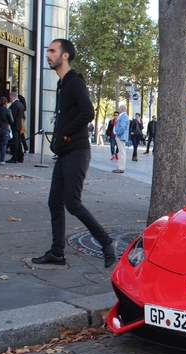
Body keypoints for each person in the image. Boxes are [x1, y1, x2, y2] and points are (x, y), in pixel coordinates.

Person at [32, 38, 116, 268]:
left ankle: (106, 242)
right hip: (66, 152)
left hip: (77, 152)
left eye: (52, 51)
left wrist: (65, 134)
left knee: (72, 203)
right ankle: (57, 252)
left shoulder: (74, 82)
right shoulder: (63, 84)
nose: (48, 55)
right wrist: (59, 139)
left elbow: (87, 112)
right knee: (54, 203)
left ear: (65, 55)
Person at [0, 97, 14, 165]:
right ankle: (2, 160)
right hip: (5, 128)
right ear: (6, 103)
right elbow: (11, 121)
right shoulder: (8, 111)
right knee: (4, 145)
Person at [7, 91, 25, 163]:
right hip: (19, 125)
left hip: (14, 126)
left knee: (15, 142)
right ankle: (20, 156)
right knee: (18, 141)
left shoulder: (14, 105)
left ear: (11, 97)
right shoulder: (21, 104)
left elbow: (12, 117)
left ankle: (15, 157)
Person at [113, 105, 129, 173]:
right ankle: (120, 167)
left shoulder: (124, 116)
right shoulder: (123, 116)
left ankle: (121, 167)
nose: (118, 109)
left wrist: (118, 133)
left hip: (121, 136)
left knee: (122, 152)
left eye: (119, 108)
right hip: (120, 136)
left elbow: (122, 127)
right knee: (121, 152)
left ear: (122, 109)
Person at [11, 86, 28, 152]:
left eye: (16, 90)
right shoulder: (12, 97)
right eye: (14, 90)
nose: (15, 91)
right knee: (17, 135)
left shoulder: (21, 98)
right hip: (17, 117)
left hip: (20, 117)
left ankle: (25, 147)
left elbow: (24, 108)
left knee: (21, 134)